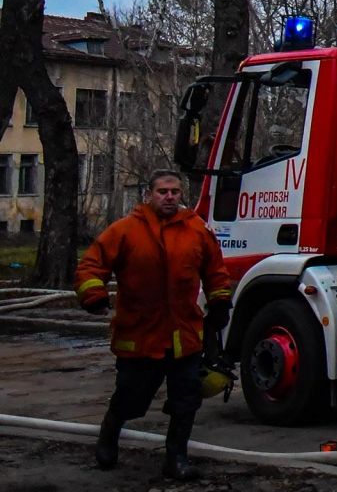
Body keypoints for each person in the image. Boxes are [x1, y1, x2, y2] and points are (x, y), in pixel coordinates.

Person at [75, 169, 232, 480]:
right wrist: (93, 294)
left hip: (184, 334)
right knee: (130, 397)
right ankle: (109, 434)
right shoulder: (126, 230)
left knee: (186, 400)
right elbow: (91, 265)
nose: (169, 197)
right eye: (163, 191)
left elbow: (216, 270)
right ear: (149, 194)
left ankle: (176, 459)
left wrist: (220, 302)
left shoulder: (197, 230)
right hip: (140, 333)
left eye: (175, 191)